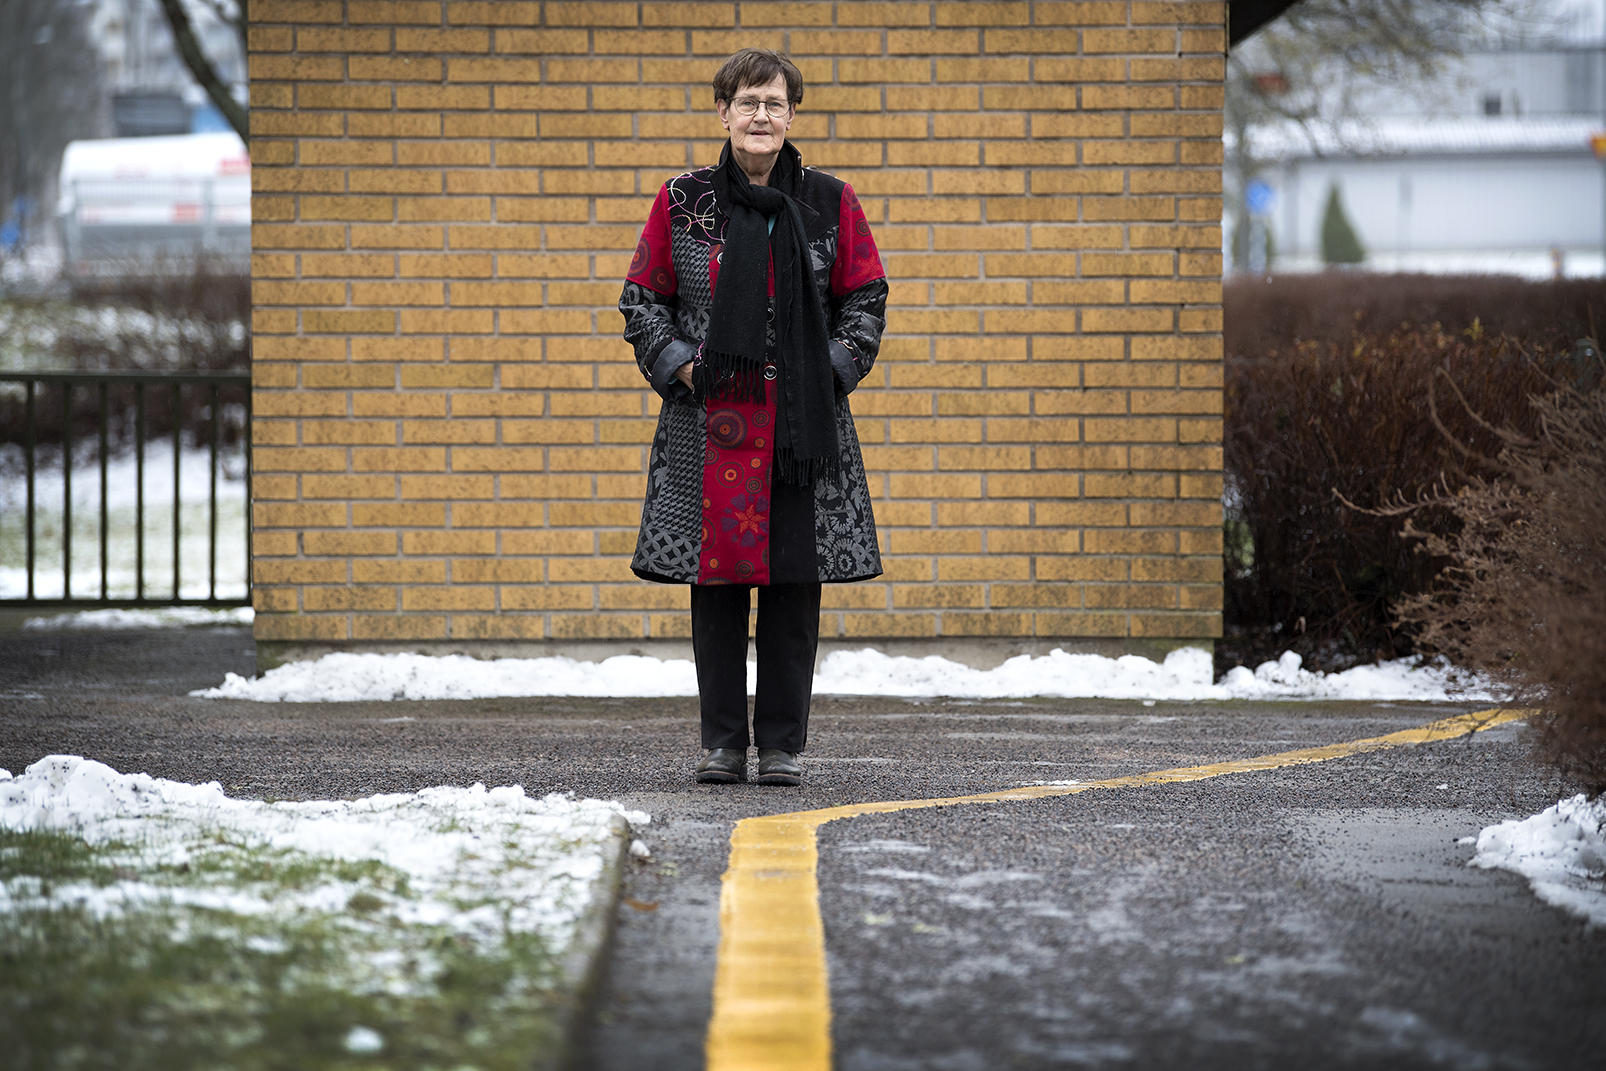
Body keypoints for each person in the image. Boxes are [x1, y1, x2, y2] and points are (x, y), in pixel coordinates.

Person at [619, 48, 888, 787]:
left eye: (774, 103)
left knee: (794, 585)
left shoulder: (832, 201)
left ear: (791, 115)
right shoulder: (682, 201)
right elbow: (642, 298)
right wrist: (685, 366)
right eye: (748, 102)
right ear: (724, 113)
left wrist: (828, 371)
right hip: (710, 423)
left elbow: (866, 297)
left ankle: (781, 747)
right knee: (716, 588)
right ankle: (722, 744)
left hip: (803, 428)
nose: (761, 116)